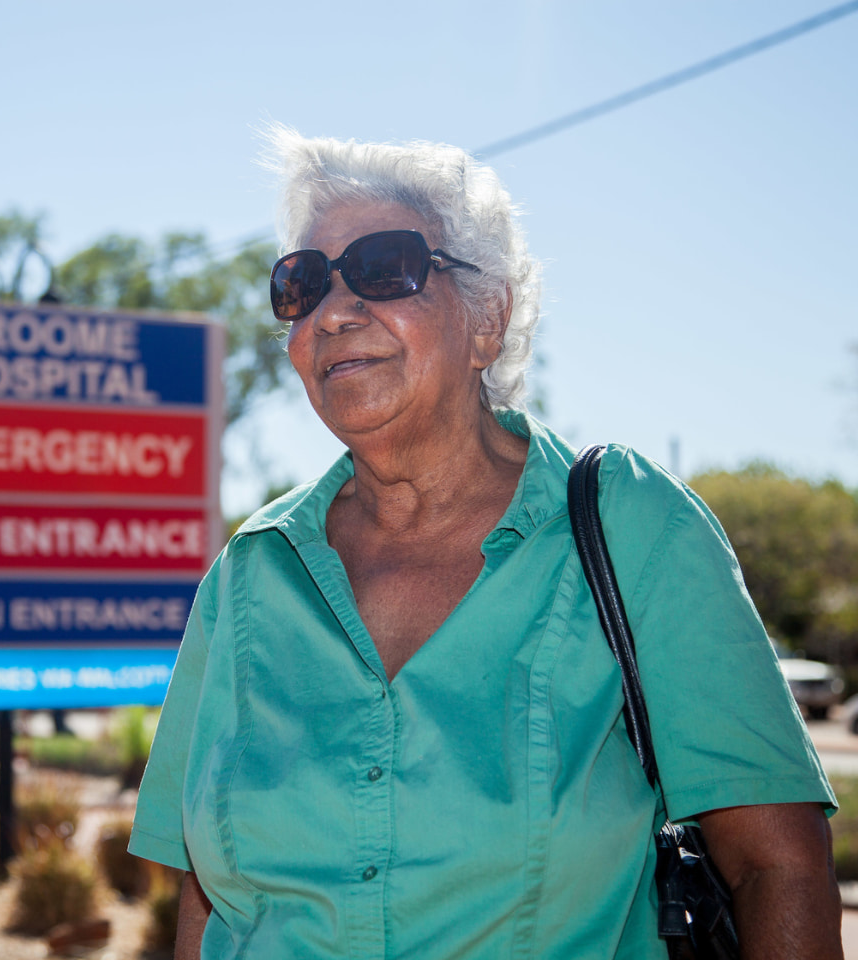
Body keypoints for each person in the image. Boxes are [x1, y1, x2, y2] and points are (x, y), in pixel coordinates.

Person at [129, 128, 842, 959]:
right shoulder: (249, 573)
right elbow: (205, 902)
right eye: (304, 284)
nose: (335, 311)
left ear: (487, 318)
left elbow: (777, 870)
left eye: (385, 267)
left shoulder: (631, 525)